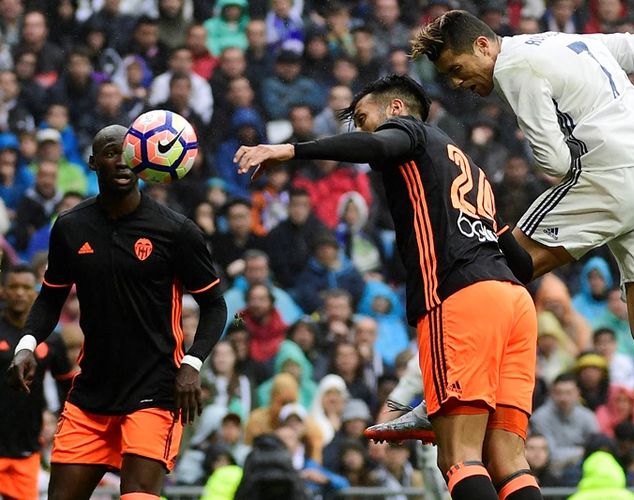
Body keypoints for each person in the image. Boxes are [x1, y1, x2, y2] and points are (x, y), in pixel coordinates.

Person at [405, 10, 634, 498]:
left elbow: (556, 162)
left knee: (495, 264)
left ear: (482, 46)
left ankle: (454, 397)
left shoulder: (514, 67)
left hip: (612, 173)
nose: (459, 83)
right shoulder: (564, 39)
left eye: (457, 69)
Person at [234, 74, 539, 500]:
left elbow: (376, 146)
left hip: (461, 298)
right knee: (509, 458)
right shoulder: (470, 166)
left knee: (459, 455)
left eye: (362, 118)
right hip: (515, 304)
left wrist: (289, 149)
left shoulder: (411, 132)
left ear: (395, 109)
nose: (359, 130)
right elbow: (522, 264)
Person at [6, 125, 227, 500]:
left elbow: (215, 305)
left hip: (155, 391)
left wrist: (192, 363)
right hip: (92, 393)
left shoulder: (176, 231)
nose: (123, 160)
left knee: (138, 496)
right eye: (111, 152)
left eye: (130, 152)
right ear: (93, 162)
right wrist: (26, 344)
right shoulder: (71, 227)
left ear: (142, 161)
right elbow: (50, 297)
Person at [0, 265, 77, 500]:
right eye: (13, 287)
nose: (20, 293)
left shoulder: (50, 339)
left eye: (26, 287)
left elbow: (68, 387)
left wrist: (63, 423)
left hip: (28, 446)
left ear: (35, 292)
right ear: (3, 291)